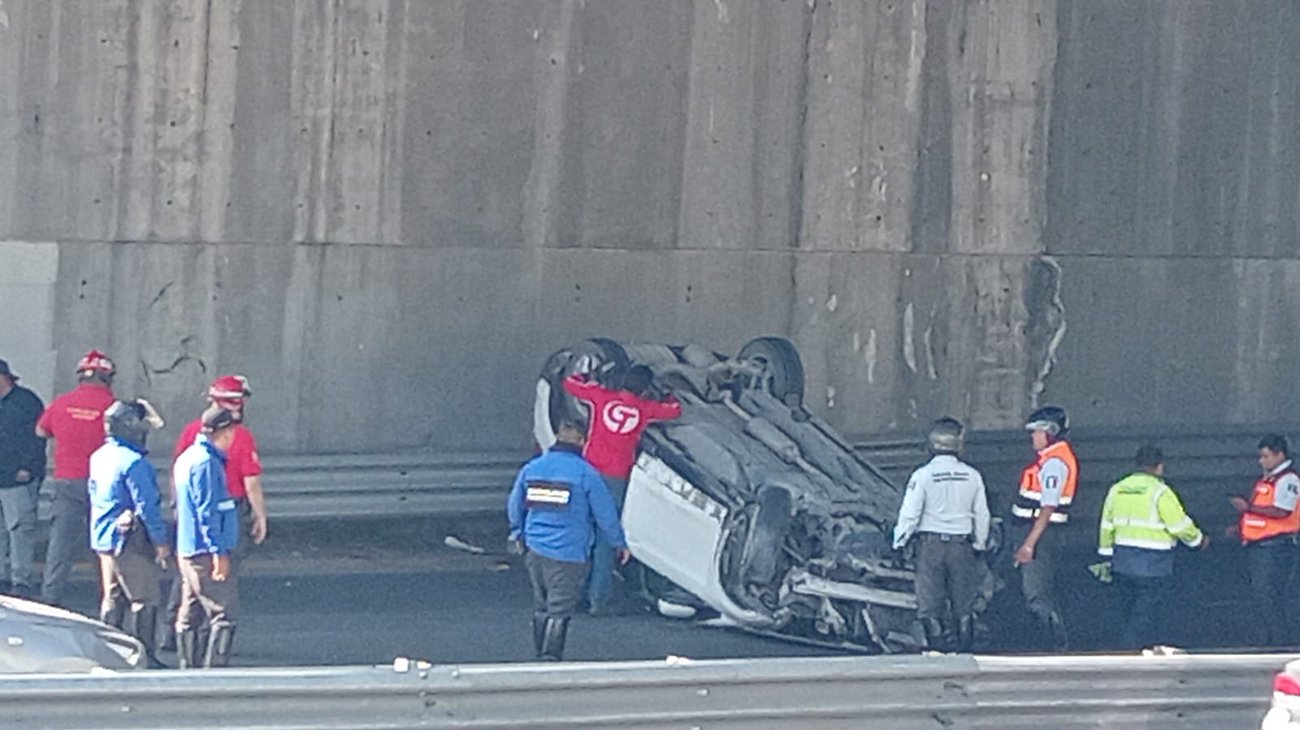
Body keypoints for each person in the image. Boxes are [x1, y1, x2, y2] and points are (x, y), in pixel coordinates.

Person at [507, 419, 629, 661]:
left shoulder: (532, 468)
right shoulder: (586, 474)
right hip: (568, 551)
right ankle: (551, 657)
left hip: (535, 548)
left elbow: (514, 505)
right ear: (583, 441)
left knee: (541, 604)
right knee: (560, 608)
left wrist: (517, 533)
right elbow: (605, 513)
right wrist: (619, 543)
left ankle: (539, 652)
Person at [563, 364, 679, 614]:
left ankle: (571, 595)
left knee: (581, 534)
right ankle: (598, 599)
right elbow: (674, 410)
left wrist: (589, 376)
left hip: (589, 472)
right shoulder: (643, 409)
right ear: (645, 389)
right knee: (607, 538)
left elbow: (570, 383)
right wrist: (667, 393)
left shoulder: (601, 398)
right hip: (617, 478)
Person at [163, 375, 264, 651]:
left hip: (188, 521)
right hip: (223, 519)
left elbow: (176, 474)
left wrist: (178, 507)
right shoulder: (236, 437)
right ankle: (212, 653)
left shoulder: (191, 436)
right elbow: (250, 480)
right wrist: (260, 515)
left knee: (187, 582)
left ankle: (173, 635)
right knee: (222, 594)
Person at [892, 418, 991, 652]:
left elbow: (910, 514)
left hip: (930, 547)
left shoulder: (923, 476)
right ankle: (964, 652)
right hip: (962, 547)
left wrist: (899, 542)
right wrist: (980, 543)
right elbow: (981, 514)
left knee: (929, 604)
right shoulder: (972, 476)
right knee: (963, 604)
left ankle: (937, 654)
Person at [1097, 445, 1206, 650]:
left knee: (1128, 612)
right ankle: (1130, 652)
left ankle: (1130, 651)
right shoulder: (1160, 491)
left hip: (1122, 562)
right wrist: (1198, 541)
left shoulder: (1117, 488)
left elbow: (1106, 525)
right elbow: (1179, 525)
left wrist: (1106, 557)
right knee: (1145, 615)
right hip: (1153, 564)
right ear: (1159, 466)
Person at [89, 399, 170, 667]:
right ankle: (143, 656)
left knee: (113, 596)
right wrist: (160, 541)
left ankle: (106, 655)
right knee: (144, 596)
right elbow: (147, 506)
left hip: (103, 536)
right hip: (130, 539)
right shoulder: (135, 463)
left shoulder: (99, 456)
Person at [36, 350, 118, 606]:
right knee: (103, 541)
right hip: (102, 481)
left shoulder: (62, 402)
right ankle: (108, 597)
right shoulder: (112, 406)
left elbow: (40, 431)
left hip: (66, 480)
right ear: (107, 378)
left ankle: (50, 596)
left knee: (60, 541)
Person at [172, 406, 241, 668]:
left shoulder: (188, 457)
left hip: (188, 548)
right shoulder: (206, 463)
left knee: (190, 612)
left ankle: (187, 671)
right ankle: (215, 676)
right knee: (224, 613)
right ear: (225, 432)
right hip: (204, 552)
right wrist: (219, 552)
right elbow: (207, 512)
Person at [1009, 404, 1077, 651]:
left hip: (1040, 536)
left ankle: (1053, 645)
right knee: (1038, 592)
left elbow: (1048, 506)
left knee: (1036, 593)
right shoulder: (1048, 460)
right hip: (1038, 534)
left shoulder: (1055, 464)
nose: (1033, 437)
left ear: (1051, 432)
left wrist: (1029, 544)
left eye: (1037, 432)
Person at [1229, 433, 1300, 647]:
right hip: (1260, 547)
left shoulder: (1288, 480)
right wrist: (1240, 527)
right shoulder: (1268, 480)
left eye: (1266, 456)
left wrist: (1247, 508)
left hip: (1276, 547)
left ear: (1280, 455)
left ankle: (1279, 644)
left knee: (1270, 598)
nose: (1262, 461)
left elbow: (1281, 511)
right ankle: (1268, 643)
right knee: (1262, 598)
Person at [0, 359, 46, 597]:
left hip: (18, 479)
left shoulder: (27, 402)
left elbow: (38, 438)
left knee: (20, 530)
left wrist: (28, 467)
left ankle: (21, 580)